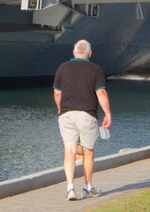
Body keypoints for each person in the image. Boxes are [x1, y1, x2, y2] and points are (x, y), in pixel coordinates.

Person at [53, 39, 112, 201]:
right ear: (90, 54)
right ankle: (87, 187)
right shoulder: (96, 70)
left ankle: (70, 189)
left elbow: (57, 93)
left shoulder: (62, 68)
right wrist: (107, 113)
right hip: (87, 114)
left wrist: (60, 108)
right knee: (88, 152)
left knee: (69, 151)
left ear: (74, 52)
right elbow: (101, 93)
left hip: (66, 114)